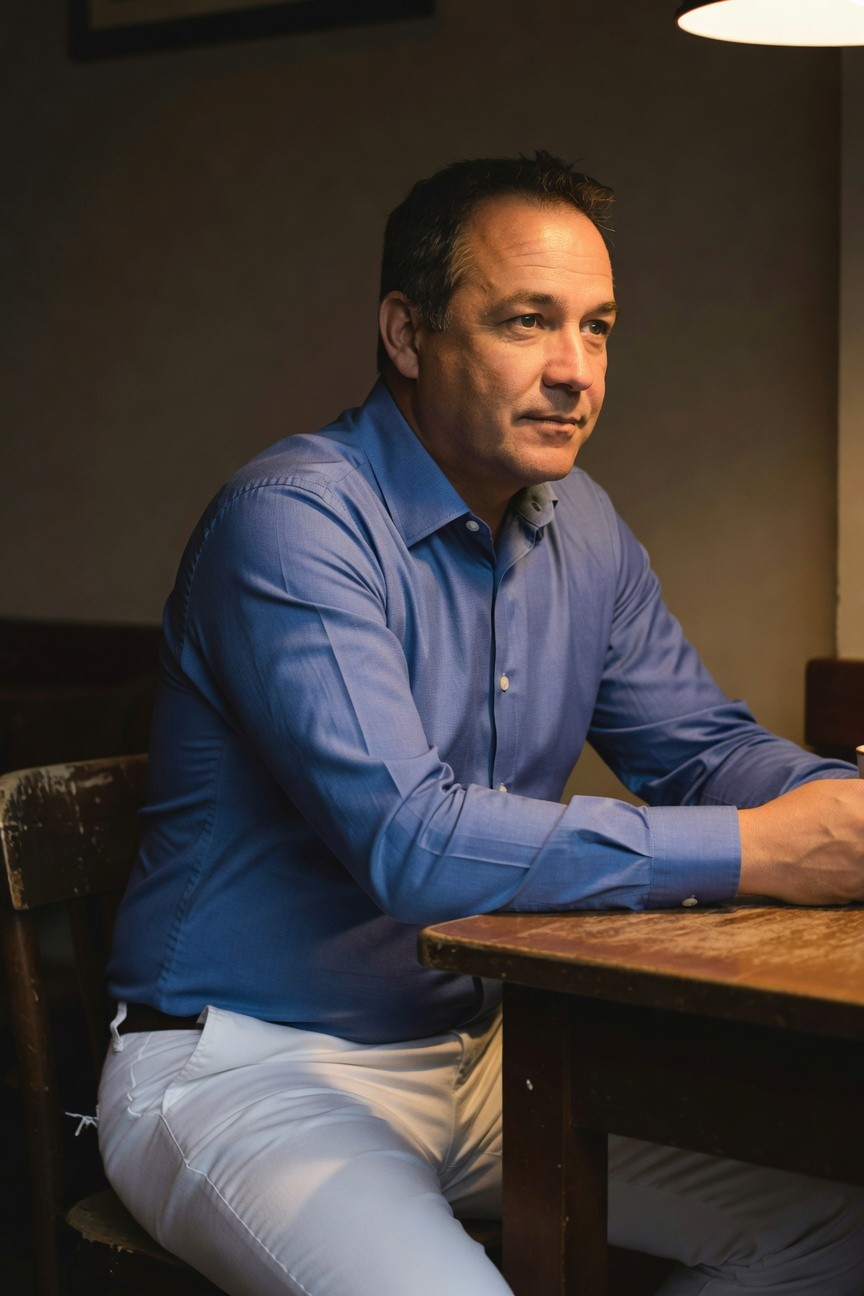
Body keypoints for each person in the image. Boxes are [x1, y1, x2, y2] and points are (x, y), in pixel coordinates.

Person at [98, 152, 864, 1296]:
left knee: (839, 1229)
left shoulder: (583, 525)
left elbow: (703, 751)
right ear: (407, 335)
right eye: (526, 322)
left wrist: (838, 807)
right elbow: (412, 841)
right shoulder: (294, 521)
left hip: (488, 1056)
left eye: (598, 328)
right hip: (248, 1065)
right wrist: (765, 852)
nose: (575, 372)